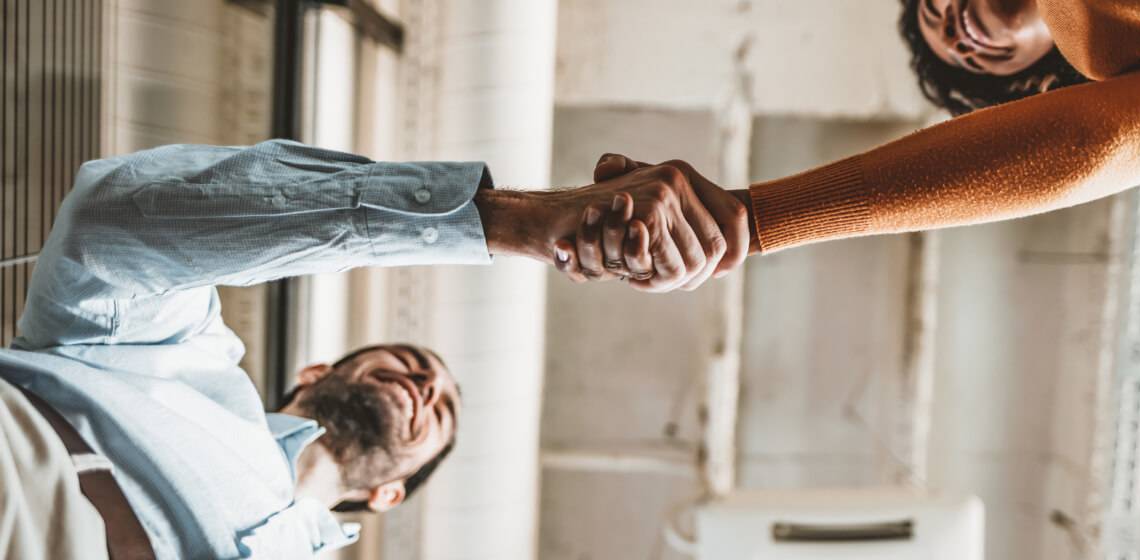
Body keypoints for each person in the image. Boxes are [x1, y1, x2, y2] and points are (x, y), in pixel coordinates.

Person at [0, 139, 723, 559]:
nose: (424, 385)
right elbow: (112, 224)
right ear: (316, 373)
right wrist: (505, 223)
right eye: (410, 364)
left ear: (390, 493)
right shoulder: (180, 355)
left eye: (435, 410)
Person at [557, 0, 1140, 286]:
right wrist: (756, 221)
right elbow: (1094, 145)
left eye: (936, 4)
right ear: (1031, 84)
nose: (953, 20)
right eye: (965, 50)